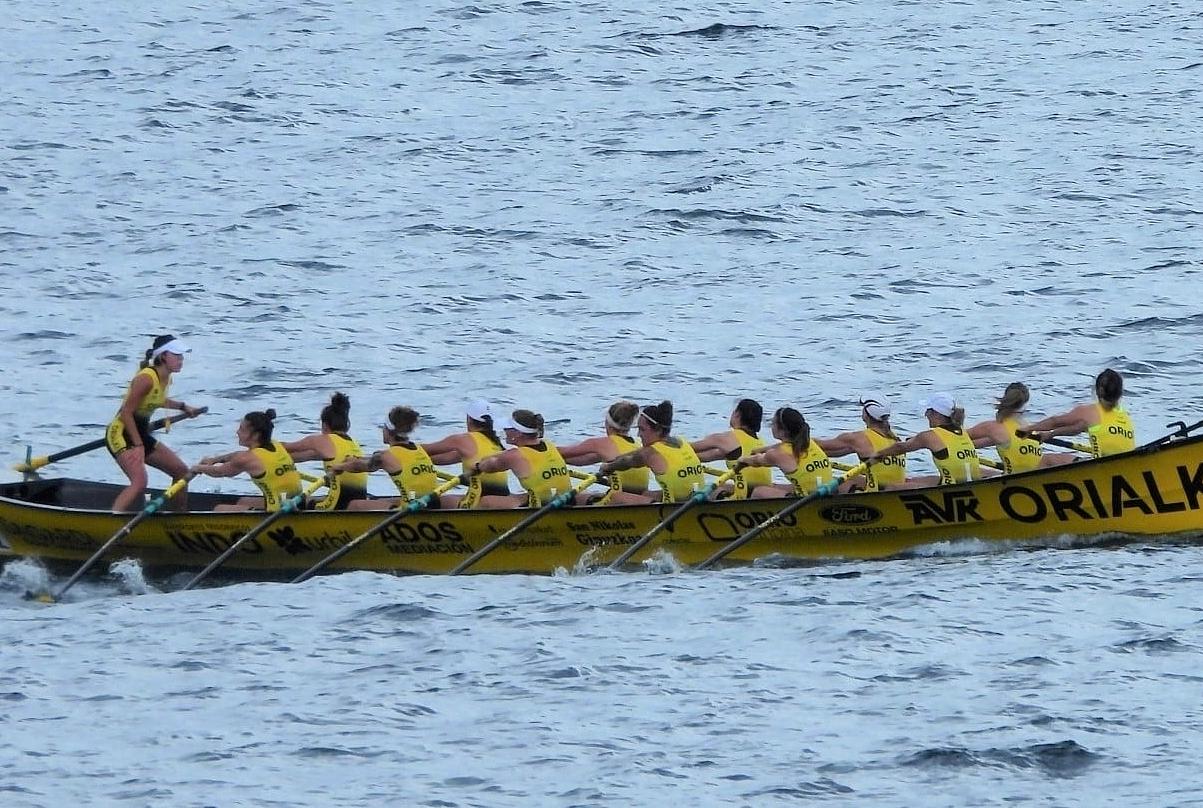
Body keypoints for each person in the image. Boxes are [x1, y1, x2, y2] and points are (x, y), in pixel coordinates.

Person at [106, 334, 202, 512]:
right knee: (140, 482)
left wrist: (182, 407)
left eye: (181, 356)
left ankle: (178, 518)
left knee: (181, 471)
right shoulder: (146, 379)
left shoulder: (166, 377)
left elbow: (156, 399)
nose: (181, 360)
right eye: (177, 355)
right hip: (121, 434)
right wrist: (138, 445)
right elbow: (126, 413)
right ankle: (111, 519)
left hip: (140, 434)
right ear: (163, 356)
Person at [330, 406, 441, 511]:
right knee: (381, 501)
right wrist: (356, 459)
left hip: (412, 509)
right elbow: (370, 460)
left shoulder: (384, 456)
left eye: (383, 427)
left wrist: (339, 467)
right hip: (433, 503)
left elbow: (357, 467)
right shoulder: (419, 449)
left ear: (388, 429)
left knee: (355, 504)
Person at [190, 409, 303, 512]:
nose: (237, 432)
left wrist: (198, 468)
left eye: (242, 429)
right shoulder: (276, 444)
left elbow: (219, 472)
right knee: (243, 501)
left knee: (219, 508)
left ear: (256, 435)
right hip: (296, 502)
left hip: (278, 511)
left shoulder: (248, 459)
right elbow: (238, 455)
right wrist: (214, 460)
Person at [598, 401, 706, 504]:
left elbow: (626, 462)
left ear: (658, 429)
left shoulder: (650, 454)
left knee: (616, 497)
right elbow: (634, 453)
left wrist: (608, 467)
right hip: (696, 499)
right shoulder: (681, 442)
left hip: (672, 507)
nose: (638, 434)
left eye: (642, 429)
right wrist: (615, 459)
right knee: (646, 494)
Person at [869, 392, 982, 487]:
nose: (925, 414)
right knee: (911, 481)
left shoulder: (929, 436)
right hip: (973, 483)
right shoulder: (962, 431)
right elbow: (937, 440)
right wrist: (916, 439)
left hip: (951, 488)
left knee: (893, 487)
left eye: (928, 411)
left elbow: (900, 447)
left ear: (936, 414)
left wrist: (879, 454)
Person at [281, 392, 368, 511]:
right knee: (313, 498)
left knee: (292, 497)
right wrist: (282, 461)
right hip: (356, 499)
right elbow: (302, 456)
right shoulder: (353, 443)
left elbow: (285, 447)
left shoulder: (322, 440)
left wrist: (262, 449)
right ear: (346, 425)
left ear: (325, 425)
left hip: (336, 505)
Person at [1022, 368, 1136, 458]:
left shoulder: (1090, 412)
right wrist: (1051, 434)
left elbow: (1055, 422)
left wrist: (1029, 428)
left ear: (1099, 391)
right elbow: (1078, 428)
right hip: (1126, 462)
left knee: (1049, 460)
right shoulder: (1124, 414)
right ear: (1120, 392)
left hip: (1102, 467)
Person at [472, 409, 571, 508]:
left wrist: (477, 466)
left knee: (486, 501)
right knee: (516, 495)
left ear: (518, 433)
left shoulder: (515, 455)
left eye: (507, 428)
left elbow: (488, 467)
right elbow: (505, 455)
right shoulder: (549, 445)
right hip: (566, 499)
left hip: (542, 505)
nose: (505, 430)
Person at [421, 399, 509, 509]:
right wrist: (421, 459)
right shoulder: (495, 442)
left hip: (476, 502)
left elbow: (424, 450)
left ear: (469, 419)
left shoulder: (463, 440)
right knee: (447, 499)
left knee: (431, 503)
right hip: (502, 498)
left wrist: (403, 448)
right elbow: (441, 459)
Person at [968, 382, 1074, 472]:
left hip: (1019, 477)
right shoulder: (1029, 429)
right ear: (1026, 403)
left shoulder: (997, 429)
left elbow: (963, 438)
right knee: (1055, 459)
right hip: (1026, 478)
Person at [557, 401, 650, 503]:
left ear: (607, 423)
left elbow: (560, 452)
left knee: (569, 497)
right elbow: (582, 460)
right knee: (591, 494)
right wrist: (558, 461)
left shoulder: (599, 444)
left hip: (616, 500)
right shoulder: (638, 445)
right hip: (637, 498)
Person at [814, 395, 906, 492]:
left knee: (831, 481)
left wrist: (804, 436)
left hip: (874, 491)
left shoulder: (859, 438)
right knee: (855, 478)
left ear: (866, 414)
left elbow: (822, 448)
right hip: (891, 489)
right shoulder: (896, 439)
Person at [740, 407, 834, 498]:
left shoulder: (775, 454)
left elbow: (755, 461)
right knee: (774, 486)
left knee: (758, 491)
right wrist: (761, 449)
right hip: (827, 491)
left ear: (782, 430)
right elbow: (782, 445)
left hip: (808, 499)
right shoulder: (809, 442)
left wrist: (742, 459)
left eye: (773, 423)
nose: (771, 426)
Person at [690, 398, 773, 497]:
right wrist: (691, 458)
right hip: (760, 492)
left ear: (737, 414)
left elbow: (687, 448)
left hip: (745, 493)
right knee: (723, 485)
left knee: (704, 489)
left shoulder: (727, 438)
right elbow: (706, 456)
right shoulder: (759, 442)